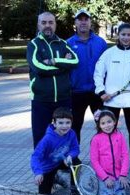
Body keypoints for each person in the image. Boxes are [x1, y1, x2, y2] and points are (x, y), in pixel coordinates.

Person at [94, 23, 130, 173]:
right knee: (107, 130)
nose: (126, 37)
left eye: (128, 35)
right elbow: (98, 73)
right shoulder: (109, 53)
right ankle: (109, 159)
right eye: (123, 34)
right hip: (111, 100)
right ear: (118, 35)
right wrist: (101, 92)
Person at [27, 12, 79, 148]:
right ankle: (43, 167)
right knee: (41, 135)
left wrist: (53, 61)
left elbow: (75, 61)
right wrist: (63, 67)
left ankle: (63, 164)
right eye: (44, 23)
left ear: (55, 24)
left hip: (63, 98)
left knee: (64, 133)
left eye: (51, 22)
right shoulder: (33, 44)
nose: (47, 26)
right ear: (38, 25)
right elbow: (38, 68)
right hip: (42, 99)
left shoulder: (62, 44)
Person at [67, 9, 107, 143]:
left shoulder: (100, 43)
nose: (83, 22)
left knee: (104, 125)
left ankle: (104, 157)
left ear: (90, 22)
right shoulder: (68, 44)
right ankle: (74, 158)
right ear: (75, 23)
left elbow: (107, 68)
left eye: (86, 19)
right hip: (76, 92)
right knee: (75, 126)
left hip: (97, 92)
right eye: (80, 19)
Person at [30, 107, 80, 195]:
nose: (64, 126)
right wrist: (38, 172)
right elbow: (35, 157)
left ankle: (74, 188)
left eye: (68, 122)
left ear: (71, 122)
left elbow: (75, 148)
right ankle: (55, 179)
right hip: (48, 167)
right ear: (54, 123)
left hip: (62, 161)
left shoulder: (71, 133)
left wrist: (70, 156)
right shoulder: (47, 139)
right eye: (60, 123)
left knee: (76, 162)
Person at [90, 110, 130, 195]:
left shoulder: (119, 135)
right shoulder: (96, 139)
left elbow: (125, 156)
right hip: (104, 176)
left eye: (109, 122)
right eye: (103, 123)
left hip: (118, 175)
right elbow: (94, 161)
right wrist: (105, 178)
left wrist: (123, 175)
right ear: (99, 125)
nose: (107, 125)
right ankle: (96, 183)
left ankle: (116, 185)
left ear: (114, 122)